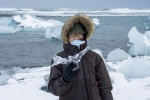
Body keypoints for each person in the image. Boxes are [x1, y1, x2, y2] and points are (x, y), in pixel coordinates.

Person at [48, 14, 113, 100]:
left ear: (84, 36)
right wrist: (64, 80)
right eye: (72, 35)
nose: (76, 38)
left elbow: (105, 86)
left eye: (79, 34)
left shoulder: (95, 57)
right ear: (67, 37)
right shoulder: (59, 59)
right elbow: (53, 89)